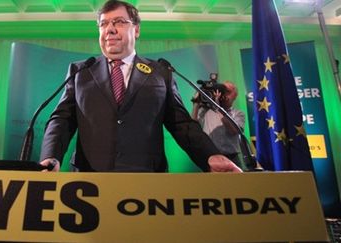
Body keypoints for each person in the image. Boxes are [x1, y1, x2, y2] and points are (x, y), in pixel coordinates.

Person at [39, 0, 242, 173]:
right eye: (103, 24)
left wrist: (210, 156)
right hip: (90, 180)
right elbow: (61, 120)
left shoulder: (161, 73)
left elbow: (182, 124)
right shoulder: (80, 71)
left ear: (136, 30)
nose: (109, 29)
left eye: (118, 22)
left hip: (147, 181)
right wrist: (51, 156)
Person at [191, 81, 246, 169]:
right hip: (211, 157)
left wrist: (218, 107)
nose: (224, 95)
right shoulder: (206, 111)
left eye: (227, 92)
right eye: (222, 91)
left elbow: (233, 131)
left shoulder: (238, 114)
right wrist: (196, 103)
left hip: (232, 158)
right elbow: (192, 127)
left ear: (235, 96)